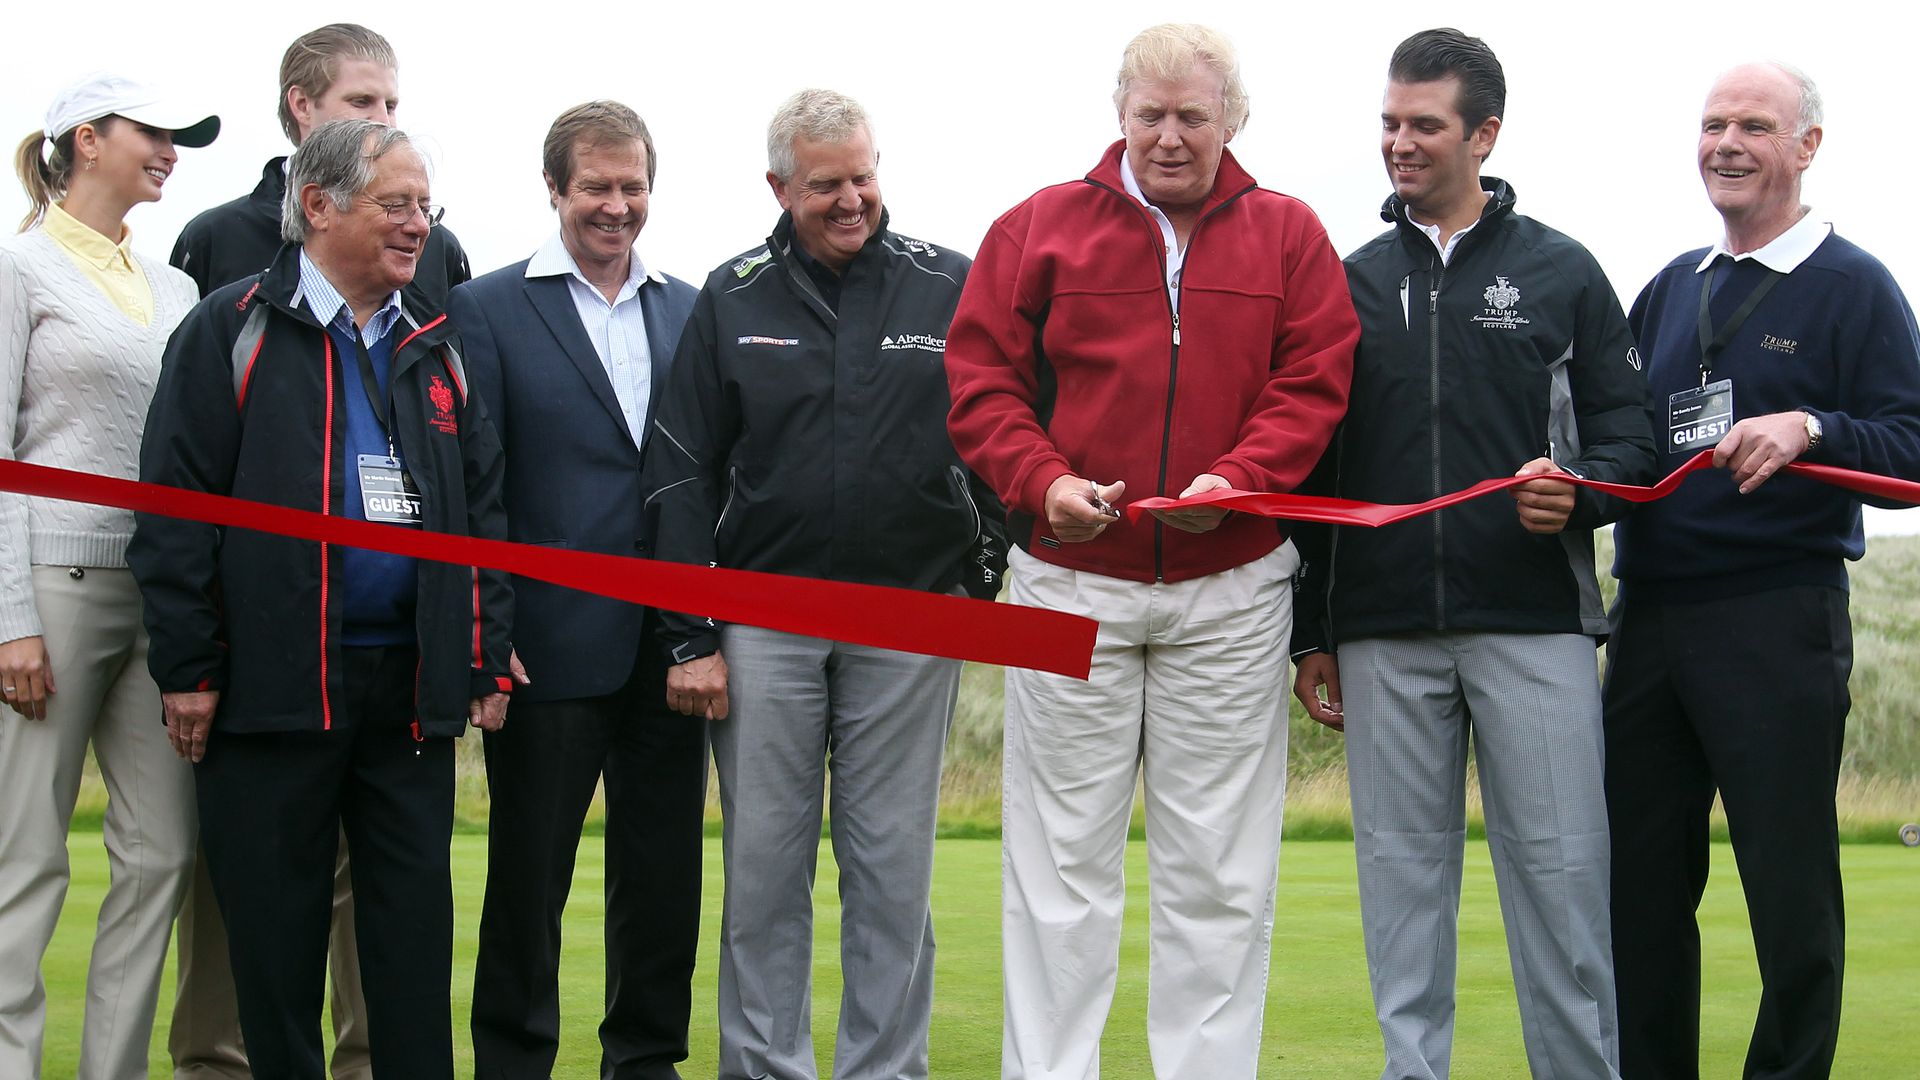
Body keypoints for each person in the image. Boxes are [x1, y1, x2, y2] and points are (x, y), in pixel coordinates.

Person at [943, 24, 1357, 1077]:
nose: (1169, 138)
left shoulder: (1289, 233)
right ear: (1118, 114)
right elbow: (982, 382)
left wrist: (1240, 478)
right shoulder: (1037, 226)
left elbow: (1315, 379)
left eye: (1193, 117)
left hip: (1233, 590)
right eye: (1150, 116)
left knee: (1219, 875)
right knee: (1057, 873)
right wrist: (1043, 483)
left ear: (1234, 119)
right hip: (1066, 583)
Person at [1287, 28, 1653, 1080]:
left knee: (1562, 886)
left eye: (1424, 126)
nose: (1399, 144)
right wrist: (1314, 635)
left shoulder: (1563, 273)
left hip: (1532, 627)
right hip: (1382, 638)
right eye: (1389, 124)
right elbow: (1314, 476)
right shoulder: (1343, 282)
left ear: (1483, 134)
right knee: (1401, 899)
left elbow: (1629, 439)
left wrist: (1580, 499)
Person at [127, 118, 514, 1080]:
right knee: (274, 948)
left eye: (427, 205)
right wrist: (188, 670)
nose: (419, 225)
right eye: (397, 203)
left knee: (413, 944)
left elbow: (481, 516)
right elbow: (173, 516)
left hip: (409, 694)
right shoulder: (231, 327)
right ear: (317, 206)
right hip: (273, 687)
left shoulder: (440, 342)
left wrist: (478, 653)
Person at [643, 88, 1002, 1080]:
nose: (853, 201)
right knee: (764, 875)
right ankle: (765, 1068)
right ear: (780, 186)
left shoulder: (949, 284)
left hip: (906, 619)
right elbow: (680, 470)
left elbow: (1006, 436)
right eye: (827, 185)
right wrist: (691, 633)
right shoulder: (733, 294)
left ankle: (885, 1070)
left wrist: (982, 575)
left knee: (892, 875)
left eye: (864, 176)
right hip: (765, 623)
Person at [1604, 61, 1920, 1080]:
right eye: (1711, 124)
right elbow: (1627, 452)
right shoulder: (1665, 292)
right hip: (1648, 619)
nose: (1726, 143)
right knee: (1640, 890)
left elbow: (1910, 447)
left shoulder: (1854, 286)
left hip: (1775, 613)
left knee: (1788, 888)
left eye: (1753, 124)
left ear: (1807, 146)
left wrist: (1813, 424)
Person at [455, 100, 703, 1080]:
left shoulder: (690, 307)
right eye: (594, 186)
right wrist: (489, 624)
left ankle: (644, 1061)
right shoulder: (486, 309)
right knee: (528, 880)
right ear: (554, 189)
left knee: (662, 879)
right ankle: (514, 1064)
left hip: (671, 644)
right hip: (544, 645)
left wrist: (704, 629)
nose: (615, 205)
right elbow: (474, 482)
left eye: (630, 185)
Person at [0, 71, 216, 1080]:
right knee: (25, 862)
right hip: (49, 590)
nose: (171, 149)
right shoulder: (20, 269)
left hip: (158, 601)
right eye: (154, 131)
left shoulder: (175, 286)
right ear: (86, 140)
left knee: (163, 856)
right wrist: (8, 621)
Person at [170, 22, 470, 304]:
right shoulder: (214, 238)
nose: (383, 121)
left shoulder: (435, 247)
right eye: (361, 101)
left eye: (390, 106)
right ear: (301, 105)